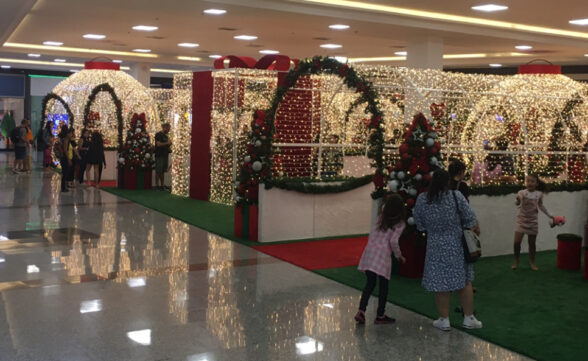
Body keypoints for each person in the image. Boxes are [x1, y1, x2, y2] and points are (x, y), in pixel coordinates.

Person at [413, 169, 482, 331]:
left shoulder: (422, 199)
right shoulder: (455, 196)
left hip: (435, 245)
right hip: (456, 244)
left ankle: (444, 320)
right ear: (448, 182)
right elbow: (470, 217)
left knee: (440, 282)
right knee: (464, 281)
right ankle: (468, 318)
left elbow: (419, 223)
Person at [354, 194, 406, 325]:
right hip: (383, 256)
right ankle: (380, 315)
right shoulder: (399, 224)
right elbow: (394, 241)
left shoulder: (380, 218)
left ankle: (361, 311)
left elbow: (372, 234)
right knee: (384, 287)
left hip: (370, 252)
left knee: (370, 284)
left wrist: (371, 247)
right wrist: (399, 256)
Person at [512, 174, 554, 271]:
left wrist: (550, 215)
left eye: (532, 181)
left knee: (532, 244)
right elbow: (518, 201)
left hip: (533, 222)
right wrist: (517, 200)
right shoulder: (521, 192)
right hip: (521, 221)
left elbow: (541, 206)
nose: (529, 183)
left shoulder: (539, 194)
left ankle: (532, 262)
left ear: (536, 184)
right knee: (516, 242)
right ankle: (516, 261)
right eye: (528, 181)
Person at [154, 123, 172, 190]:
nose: (169, 130)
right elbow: (158, 144)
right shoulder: (158, 135)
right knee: (158, 171)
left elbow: (166, 144)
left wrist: (169, 144)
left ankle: (162, 185)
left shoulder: (166, 136)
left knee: (163, 170)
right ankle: (156, 185)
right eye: (168, 129)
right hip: (159, 155)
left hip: (165, 154)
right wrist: (167, 143)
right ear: (165, 127)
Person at [58, 126, 73, 192]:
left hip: (63, 157)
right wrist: (68, 159)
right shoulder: (66, 140)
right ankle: (63, 187)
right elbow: (65, 150)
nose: (72, 135)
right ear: (67, 134)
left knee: (65, 172)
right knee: (65, 172)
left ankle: (64, 186)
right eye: (71, 133)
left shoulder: (63, 139)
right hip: (65, 158)